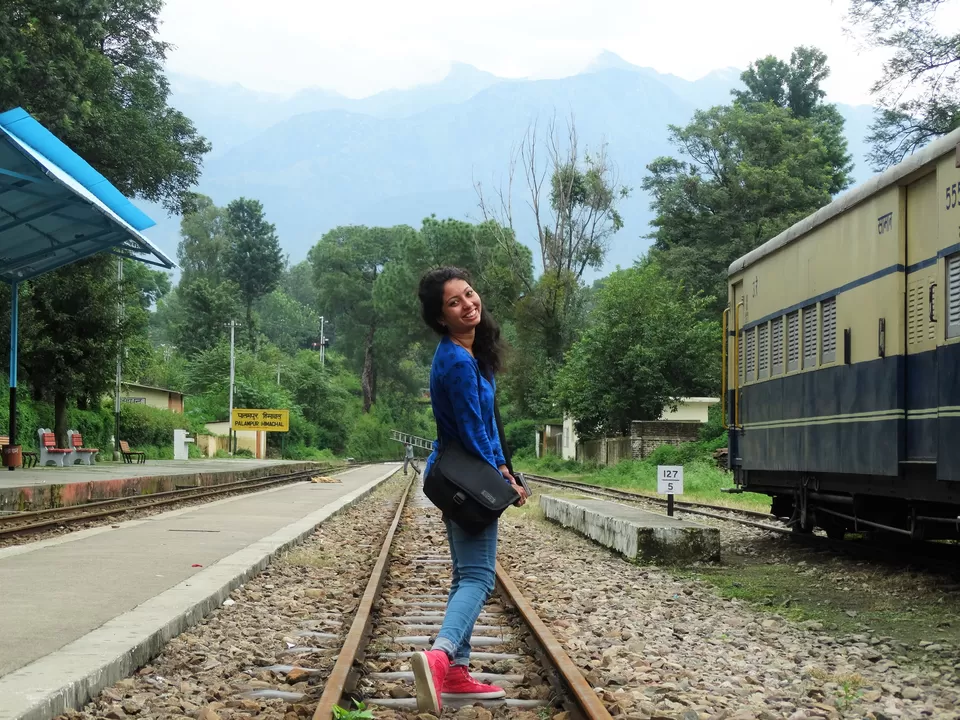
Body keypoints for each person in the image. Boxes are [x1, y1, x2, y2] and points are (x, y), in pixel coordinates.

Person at [410, 266, 528, 715]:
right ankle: (440, 660)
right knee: (479, 578)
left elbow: (485, 427)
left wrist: (502, 465)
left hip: (461, 474)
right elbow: (476, 430)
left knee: (466, 575)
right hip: (468, 479)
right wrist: (502, 474)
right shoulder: (457, 362)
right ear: (442, 318)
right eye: (454, 302)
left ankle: (457, 672)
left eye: (470, 294)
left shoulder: (468, 352)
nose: (468, 304)